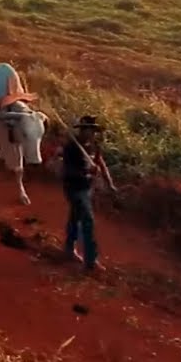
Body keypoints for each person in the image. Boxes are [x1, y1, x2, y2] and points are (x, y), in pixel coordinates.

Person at [61, 115, 116, 272]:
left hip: (86, 188)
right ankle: (91, 260)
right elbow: (68, 170)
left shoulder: (94, 145)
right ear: (82, 130)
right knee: (88, 220)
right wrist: (87, 170)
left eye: (93, 130)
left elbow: (101, 163)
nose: (91, 133)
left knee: (75, 217)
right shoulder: (71, 147)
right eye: (88, 130)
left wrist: (109, 183)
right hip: (73, 188)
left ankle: (69, 249)